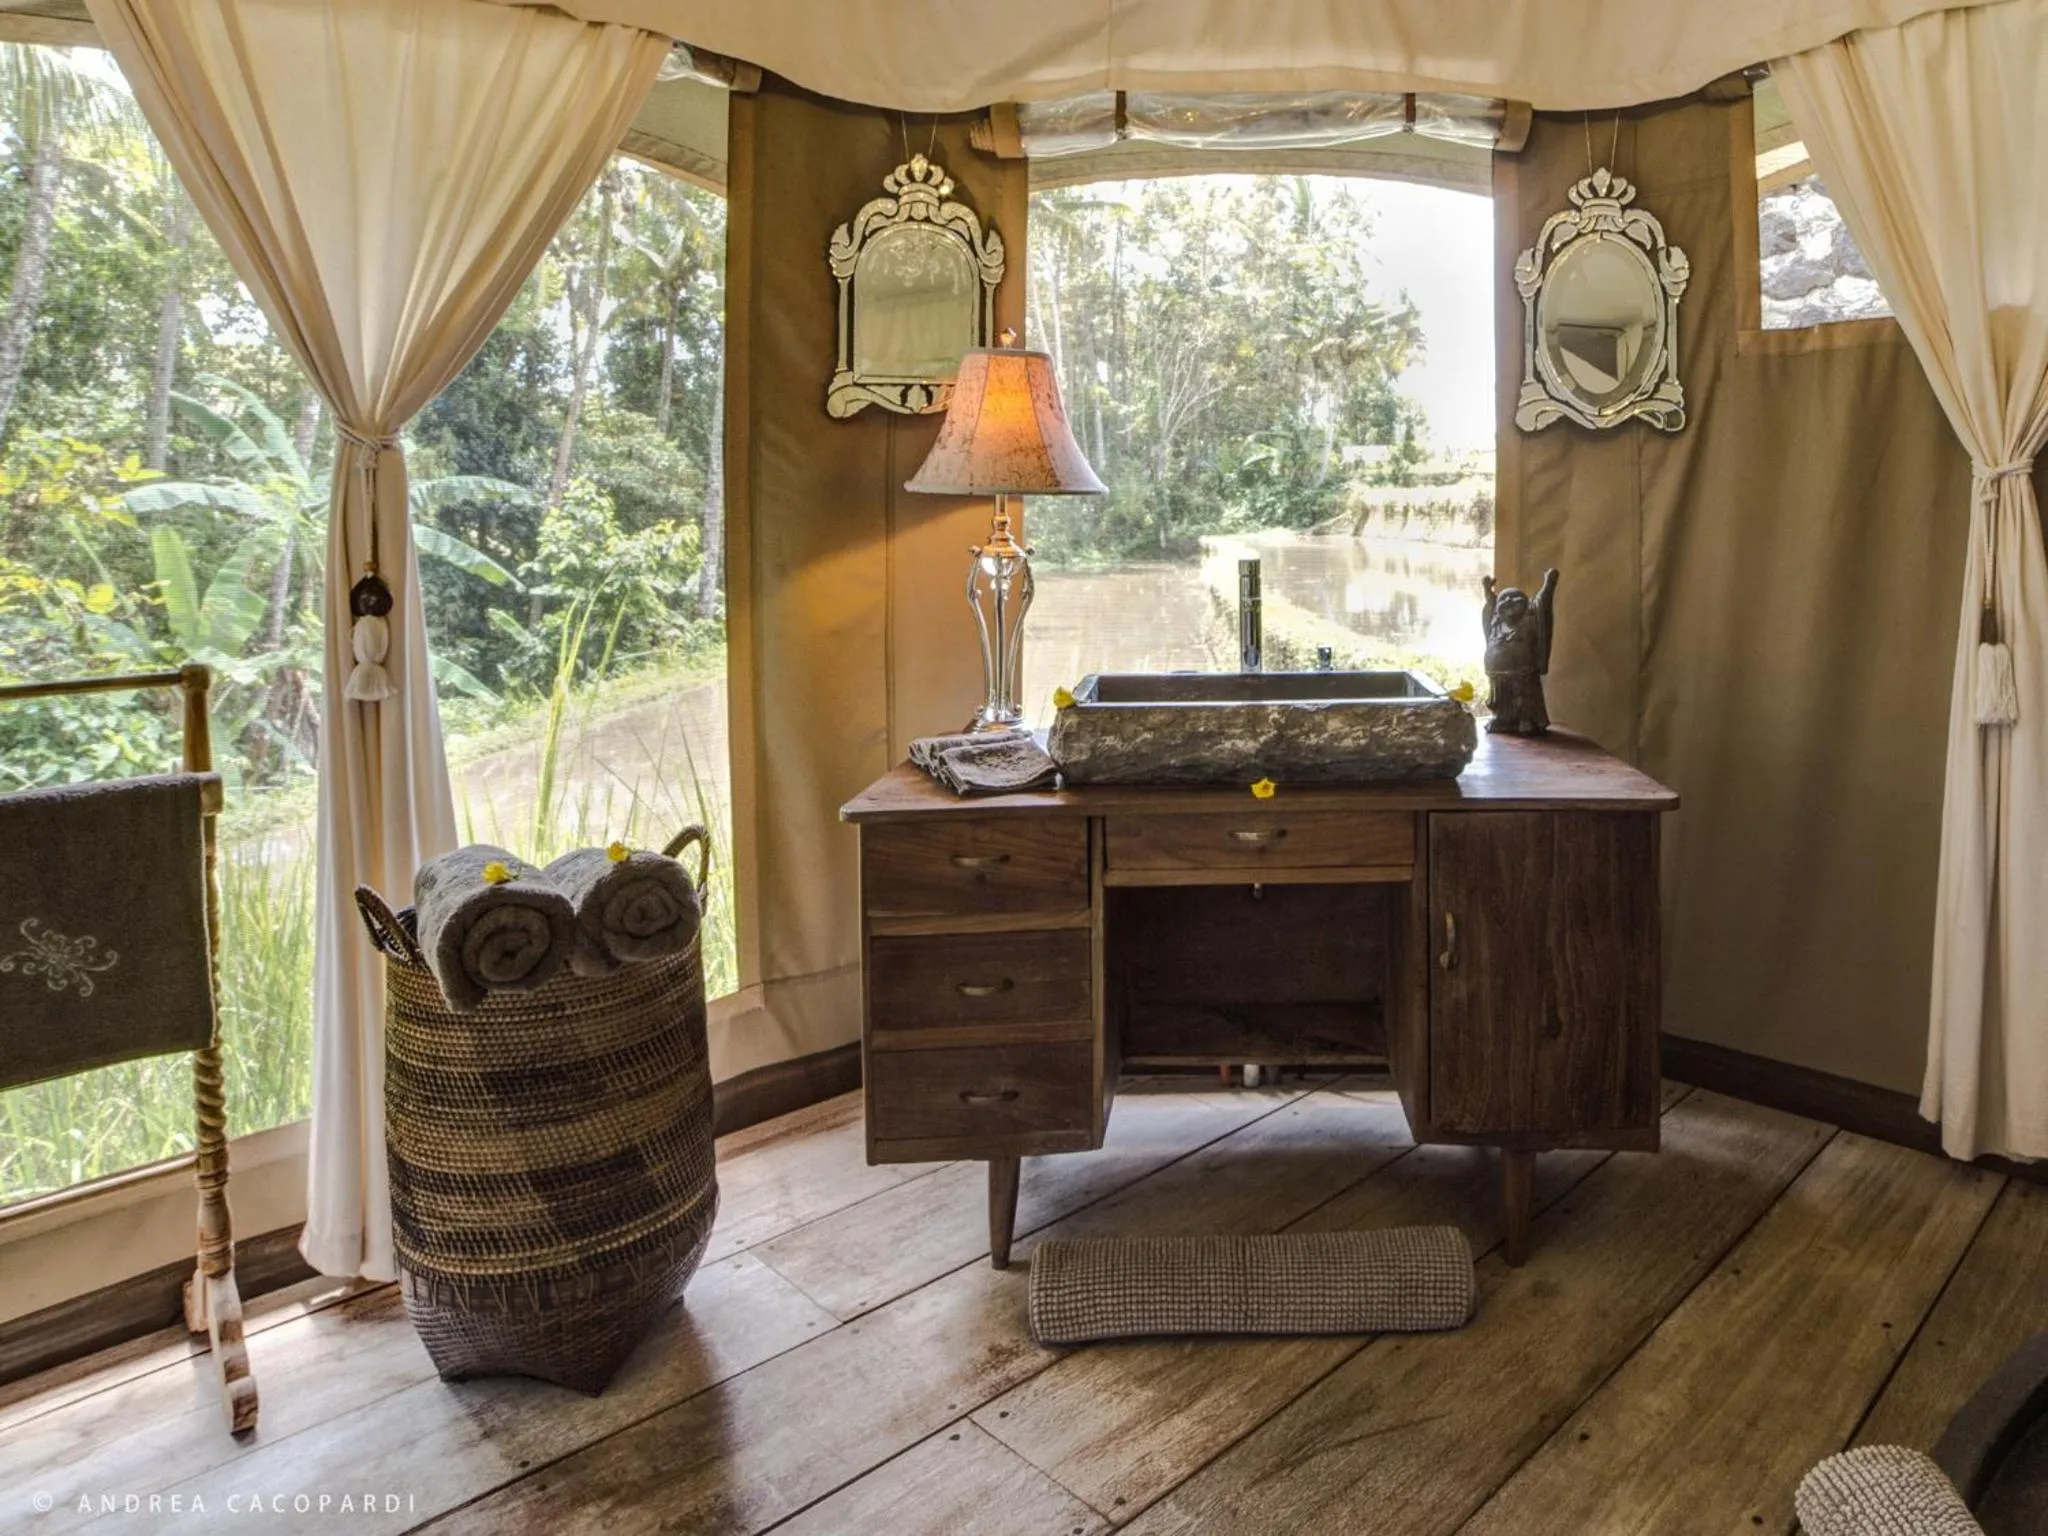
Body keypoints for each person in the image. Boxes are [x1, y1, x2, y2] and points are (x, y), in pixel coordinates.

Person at [1481, 568, 1559, 735]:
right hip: (1497, 672)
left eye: (1514, 602)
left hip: (1523, 671)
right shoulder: (1496, 621)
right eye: (1504, 602)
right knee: (1500, 697)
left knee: (1523, 695)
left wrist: (1549, 583)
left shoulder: (1531, 619)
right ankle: (1502, 718)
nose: (1509, 604)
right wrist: (1488, 591)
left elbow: (1543, 602)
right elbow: (1490, 606)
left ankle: (1527, 719)